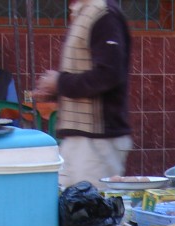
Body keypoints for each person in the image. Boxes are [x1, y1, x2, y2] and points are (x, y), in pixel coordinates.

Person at [32, 0, 132, 186]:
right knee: (65, 208)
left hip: (96, 143)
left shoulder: (104, 14)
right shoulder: (85, 12)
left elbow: (109, 74)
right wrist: (55, 90)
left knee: (92, 211)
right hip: (78, 142)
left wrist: (60, 82)